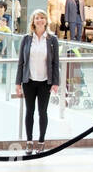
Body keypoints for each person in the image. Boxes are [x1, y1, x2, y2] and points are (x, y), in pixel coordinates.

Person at [14, 9, 60, 152]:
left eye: (42, 18)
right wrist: (18, 82)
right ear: (33, 21)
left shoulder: (52, 40)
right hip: (29, 81)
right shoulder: (27, 39)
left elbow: (55, 63)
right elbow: (21, 62)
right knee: (29, 111)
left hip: (45, 82)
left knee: (43, 112)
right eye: (37, 18)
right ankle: (29, 141)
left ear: (46, 21)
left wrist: (56, 82)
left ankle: (41, 141)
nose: (39, 20)